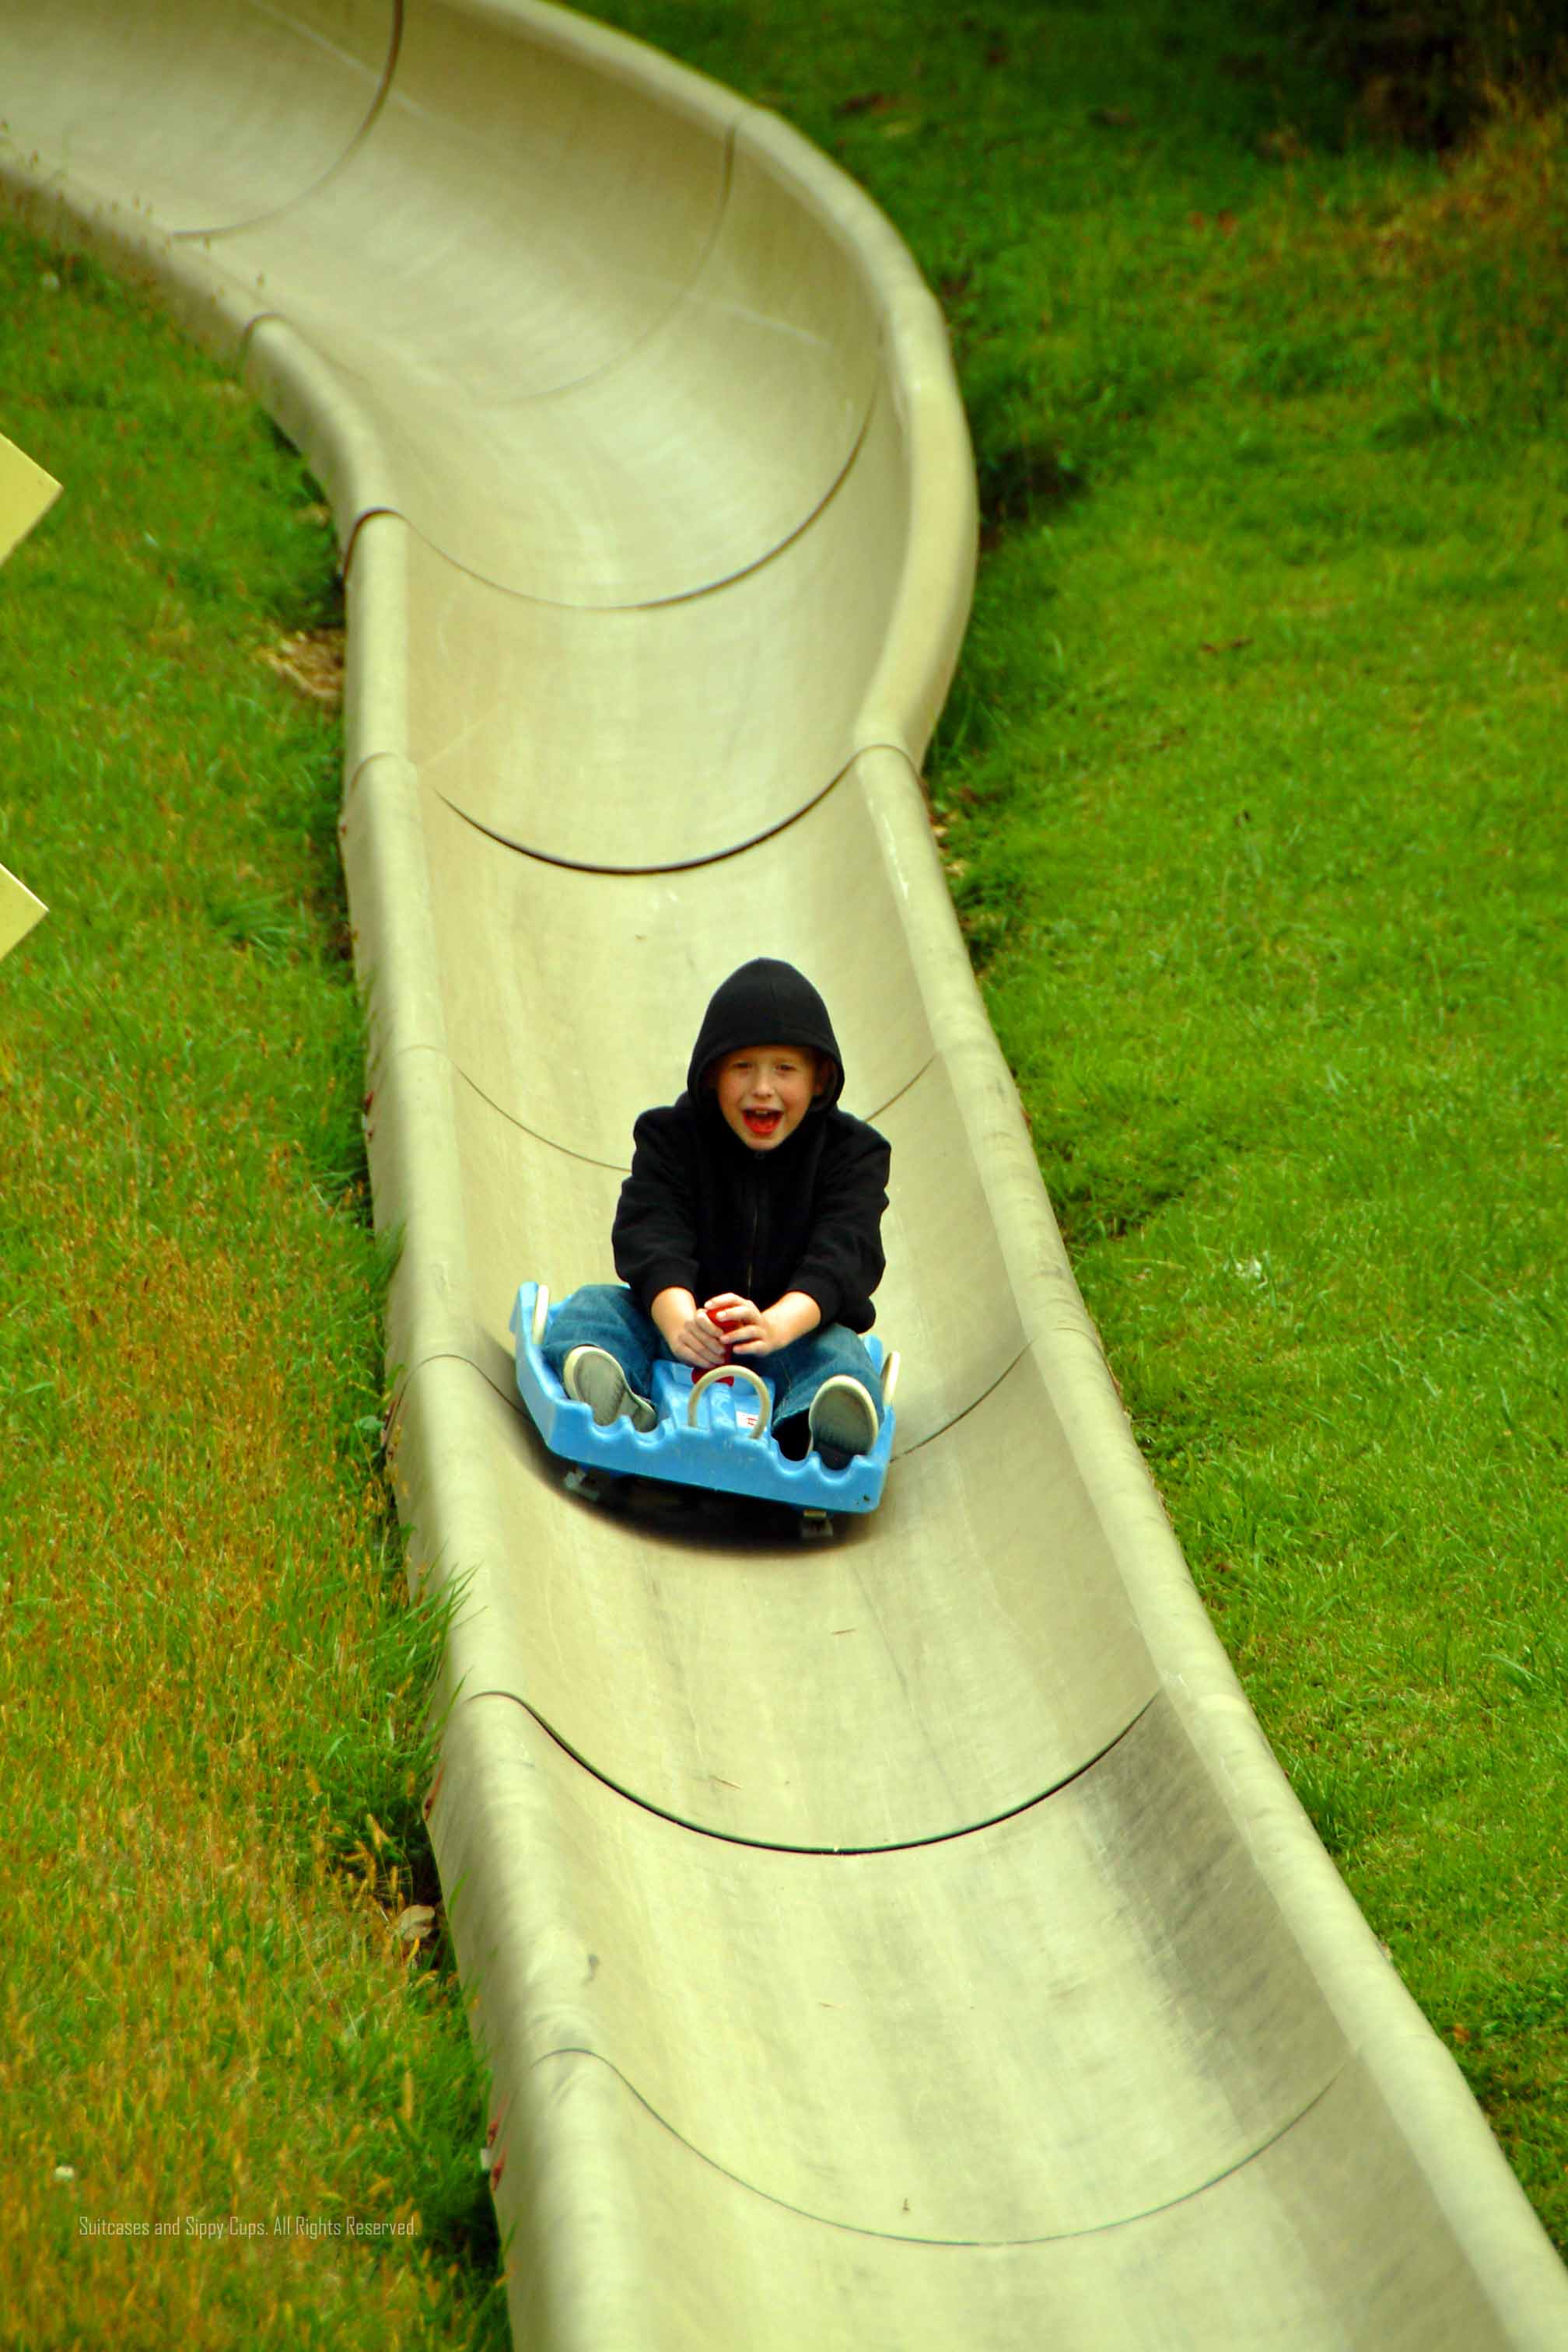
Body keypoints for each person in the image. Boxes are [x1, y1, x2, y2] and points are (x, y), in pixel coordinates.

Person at [542, 957, 890, 1468]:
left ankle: (817, 1424)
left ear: (819, 1080)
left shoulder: (852, 1154)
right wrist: (681, 1320)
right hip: (682, 1326)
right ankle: (619, 1396)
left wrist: (776, 1325)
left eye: (785, 1069)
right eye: (742, 1067)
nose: (763, 1087)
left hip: (790, 1337)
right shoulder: (673, 1137)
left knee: (840, 1356)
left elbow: (846, 1251)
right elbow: (650, 1230)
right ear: (711, 1077)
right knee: (593, 1311)